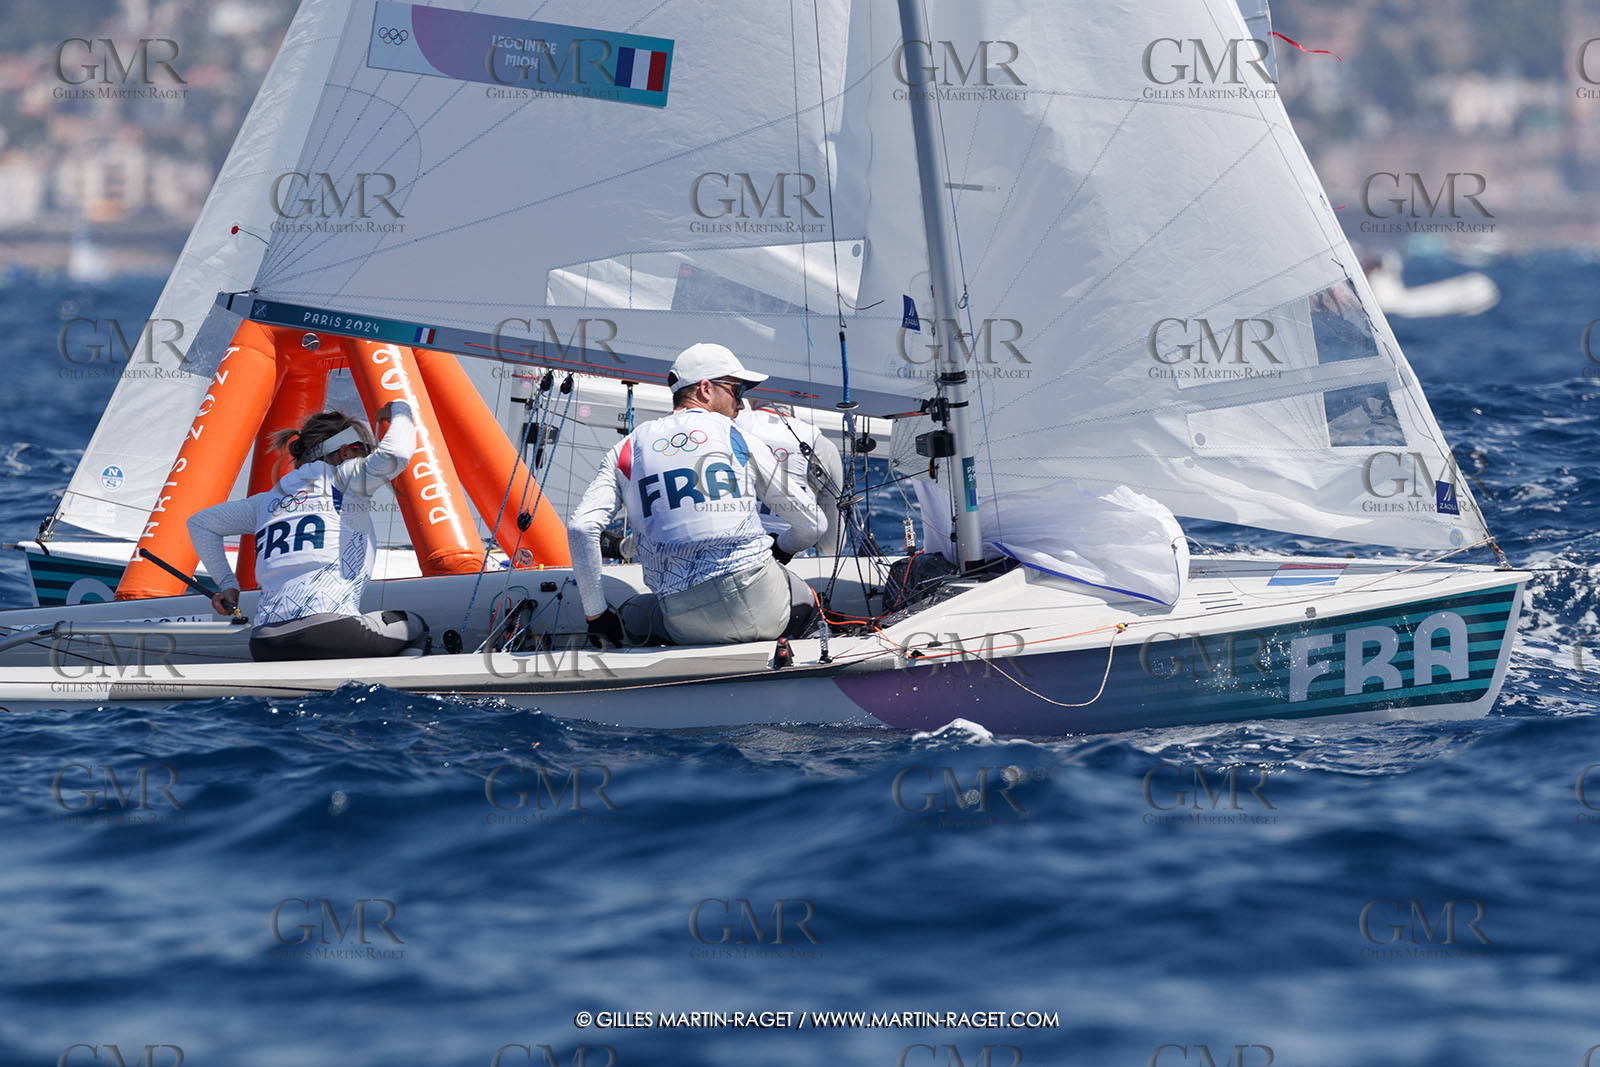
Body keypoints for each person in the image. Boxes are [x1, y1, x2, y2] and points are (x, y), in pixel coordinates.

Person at [567, 343, 825, 646]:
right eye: (736, 390)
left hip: (685, 620)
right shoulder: (735, 436)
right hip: (762, 606)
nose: (741, 404)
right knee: (807, 598)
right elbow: (814, 525)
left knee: (634, 614)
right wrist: (780, 549)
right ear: (705, 389)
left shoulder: (626, 449)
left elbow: (581, 528)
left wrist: (597, 616)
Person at [188, 400, 429, 661]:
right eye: (363, 449)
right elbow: (397, 454)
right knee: (415, 626)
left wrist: (227, 586)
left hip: (264, 643)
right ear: (345, 453)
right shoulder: (345, 478)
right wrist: (400, 407)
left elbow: (201, 523)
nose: (367, 457)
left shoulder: (266, 500)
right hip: (332, 633)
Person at [734, 398, 844, 560]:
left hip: (731, 556)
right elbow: (832, 543)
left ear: (751, 397)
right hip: (791, 560)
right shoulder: (822, 445)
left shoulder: (729, 426)